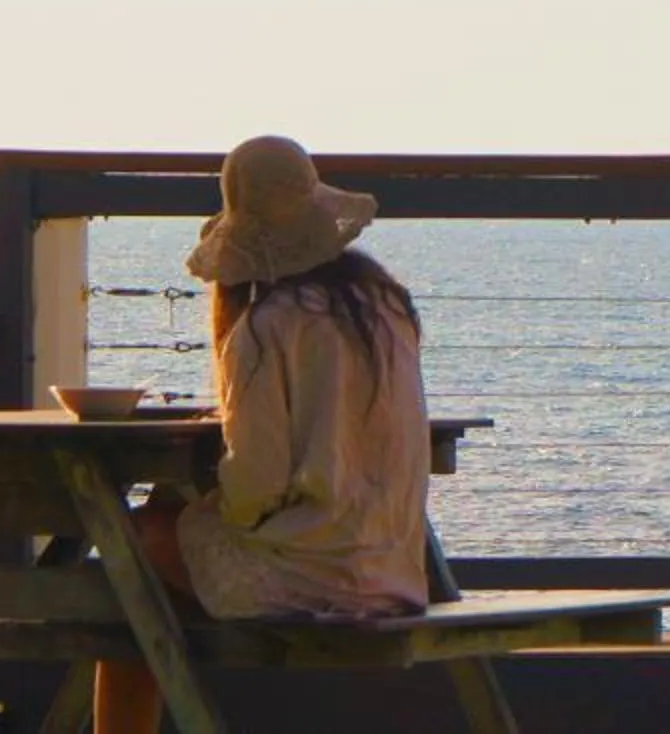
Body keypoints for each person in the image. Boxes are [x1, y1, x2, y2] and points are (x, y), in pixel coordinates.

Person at [96, 135, 434, 733]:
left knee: (131, 553)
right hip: (394, 570)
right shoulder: (384, 308)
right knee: (161, 533)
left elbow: (256, 485)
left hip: (314, 582)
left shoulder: (266, 326)